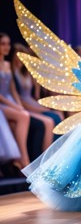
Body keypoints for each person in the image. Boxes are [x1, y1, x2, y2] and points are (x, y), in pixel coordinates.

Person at [11, 43, 62, 149]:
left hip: (30, 103)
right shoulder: (12, 73)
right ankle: (43, 156)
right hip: (23, 106)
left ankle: (56, 152)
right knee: (49, 121)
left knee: (57, 116)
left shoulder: (26, 73)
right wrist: (39, 109)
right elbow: (19, 98)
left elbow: (35, 96)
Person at [0, 32, 30, 168]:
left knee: (23, 114)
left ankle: (20, 160)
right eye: (3, 44)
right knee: (23, 116)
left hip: (9, 100)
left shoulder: (7, 64)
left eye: (8, 44)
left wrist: (19, 105)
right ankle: (24, 159)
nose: (6, 47)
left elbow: (12, 89)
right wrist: (15, 106)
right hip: (2, 103)